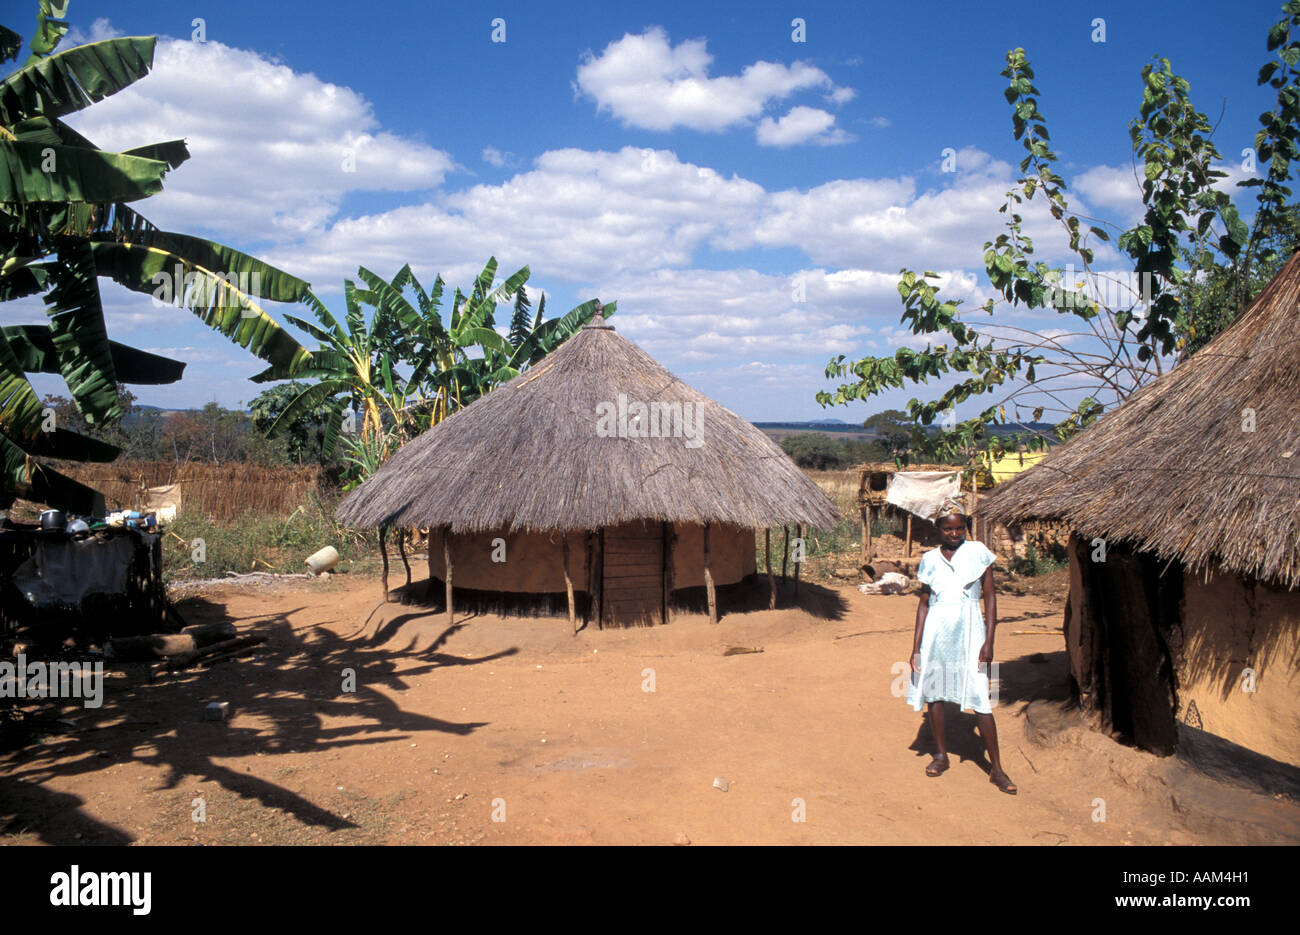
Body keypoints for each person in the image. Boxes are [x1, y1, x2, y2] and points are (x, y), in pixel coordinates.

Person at [906, 498, 1017, 794]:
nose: (955, 534)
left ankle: (996, 768)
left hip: (970, 631)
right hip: (936, 632)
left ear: (965, 527)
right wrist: (916, 647)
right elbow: (924, 604)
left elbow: (990, 598)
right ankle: (941, 756)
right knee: (936, 695)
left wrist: (989, 640)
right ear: (938, 529)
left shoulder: (978, 553)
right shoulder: (930, 559)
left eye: (959, 528)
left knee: (980, 695)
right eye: (948, 529)